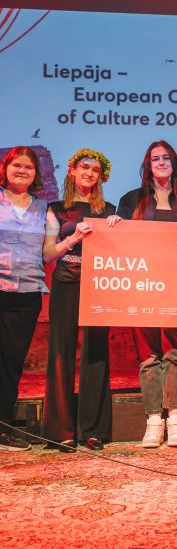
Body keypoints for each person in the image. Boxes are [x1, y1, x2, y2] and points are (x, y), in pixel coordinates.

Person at [117, 141, 177, 448]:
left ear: (174, 163)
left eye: (166, 158)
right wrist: (114, 223)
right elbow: (119, 240)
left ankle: (176, 419)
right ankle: (154, 420)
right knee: (149, 355)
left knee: (174, 353)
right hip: (142, 287)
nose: (161, 162)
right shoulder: (131, 199)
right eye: (155, 159)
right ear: (148, 165)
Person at [42, 148, 115, 451]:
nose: (89, 173)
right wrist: (73, 238)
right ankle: (60, 430)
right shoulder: (56, 209)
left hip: (99, 283)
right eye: (84, 167)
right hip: (66, 280)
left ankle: (92, 430)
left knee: (95, 351)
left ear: (101, 177)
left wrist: (118, 228)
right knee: (61, 351)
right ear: (72, 171)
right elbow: (48, 253)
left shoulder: (109, 210)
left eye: (95, 170)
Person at [0, 147, 47, 451]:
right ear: (5, 168)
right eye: (16, 165)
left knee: (11, 364)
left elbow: (50, 249)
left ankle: (2, 428)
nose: (22, 170)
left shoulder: (43, 207)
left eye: (28, 167)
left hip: (27, 293)